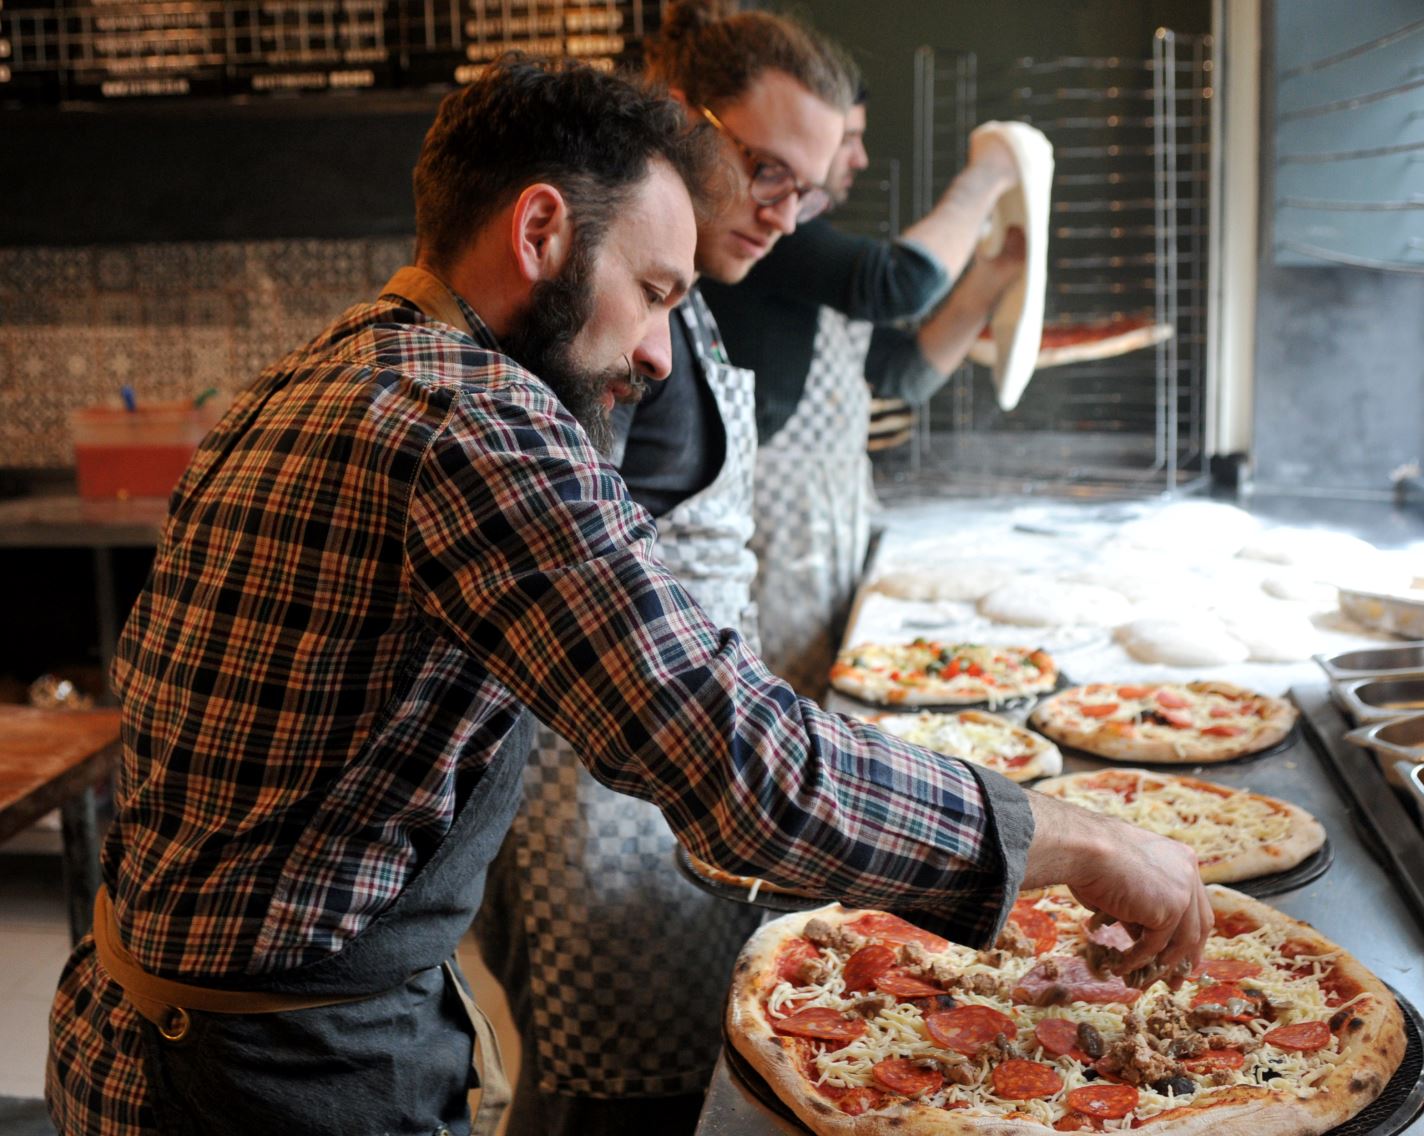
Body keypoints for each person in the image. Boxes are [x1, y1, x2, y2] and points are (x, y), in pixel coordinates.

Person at [49, 53, 1210, 1136]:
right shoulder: (476, 423)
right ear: (542, 230)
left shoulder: (324, 367)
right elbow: (749, 766)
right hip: (265, 1081)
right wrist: (1082, 842)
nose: (661, 352)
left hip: (140, 1027)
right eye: (654, 291)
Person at [474, 3, 858, 1132]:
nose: (787, 217)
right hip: (595, 798)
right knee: (605, 1103)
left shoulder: (673, 312)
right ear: (679, 124)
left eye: (812, 190)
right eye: (765, 171)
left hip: (664, 785)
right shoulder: (594, 325)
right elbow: (582, 598)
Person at [702, 86, 1032, 698]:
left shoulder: (817, 251)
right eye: (845, 139)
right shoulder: (781, 237)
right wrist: (991, 172)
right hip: (766, 533)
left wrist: (994, 277)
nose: (857, 158)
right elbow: (898, 284)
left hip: (829, 529)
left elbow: (906, 373)